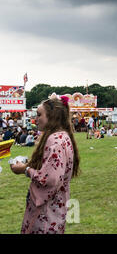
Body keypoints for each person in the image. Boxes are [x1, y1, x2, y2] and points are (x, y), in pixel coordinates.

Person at [10, 95, 80, 234]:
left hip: (46, 215)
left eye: (39, 115)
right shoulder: (62, 136)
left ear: (52, 116)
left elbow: (50, 179)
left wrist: (25, 169)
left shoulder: (55, 140)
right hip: (55, 210)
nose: (36, 119)